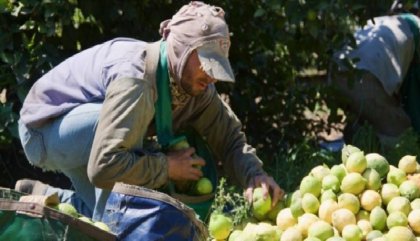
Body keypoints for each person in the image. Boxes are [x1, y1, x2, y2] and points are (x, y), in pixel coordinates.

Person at [16, 1, 283, 221]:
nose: (211, 77)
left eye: (217, 68)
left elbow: (230, 140)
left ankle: (46, 198)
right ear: (181, 50)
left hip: (92, 139)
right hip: (44, 131)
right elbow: (105, 166)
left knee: (105, 221)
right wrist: (166, 167)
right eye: (205, 63)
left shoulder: (195, 86)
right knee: (120, 193)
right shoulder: (137, 78)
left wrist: (254, 175)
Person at [331, 1, 420, 147]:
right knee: (401, 129)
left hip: (334, 73)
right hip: (364, 78)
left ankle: (357, 150)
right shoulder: (415, 25)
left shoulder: (380, 23)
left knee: (364, 119)